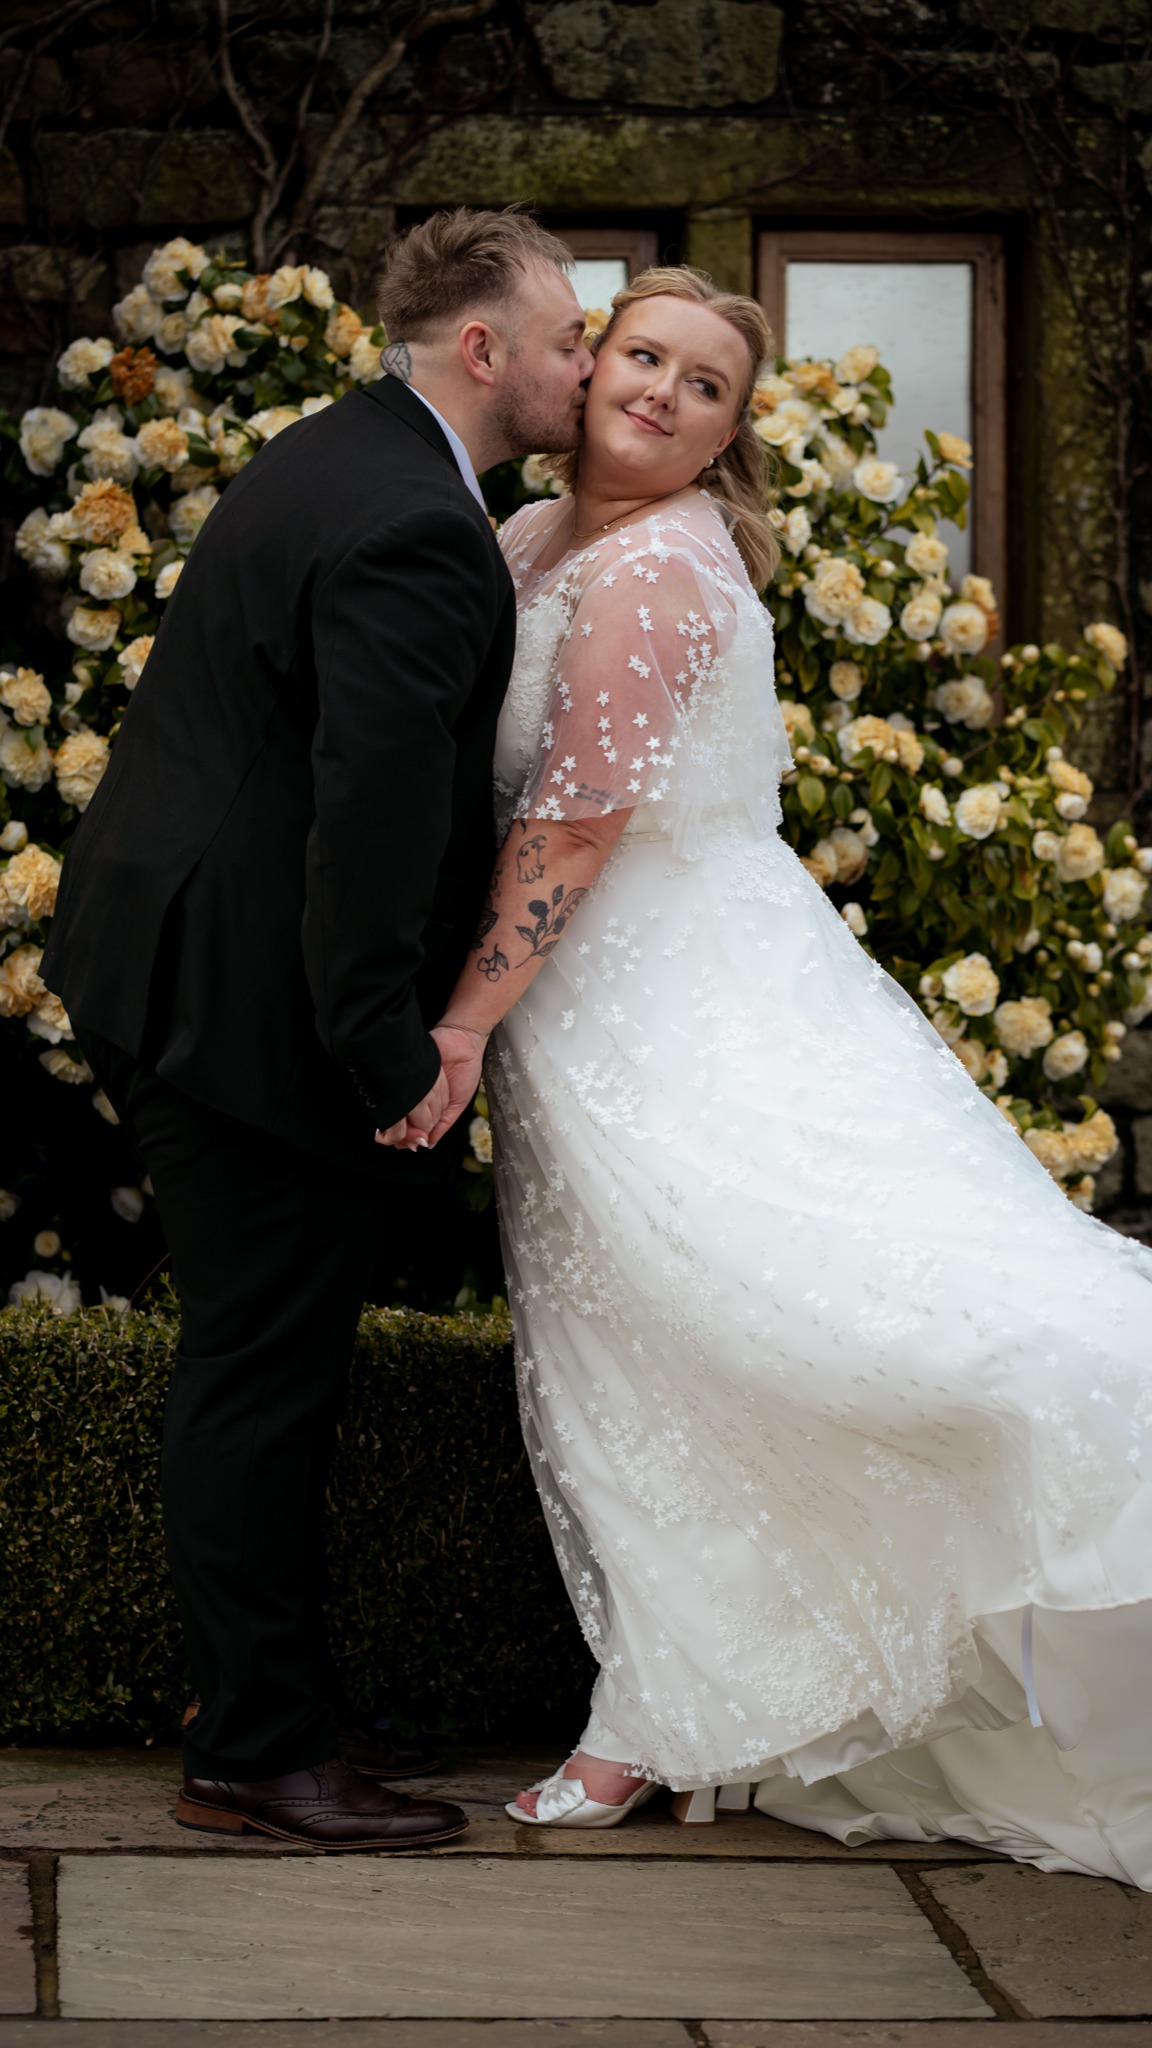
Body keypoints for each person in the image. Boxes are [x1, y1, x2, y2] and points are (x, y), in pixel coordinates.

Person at [416, 265, 1152, 1881]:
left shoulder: (665, 572)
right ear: (591, 362)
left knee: (786, 1323)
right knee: (644, 1362)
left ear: (730, 437)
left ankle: (648, 1726)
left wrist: (462, 1023)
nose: (665, 393)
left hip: (686, 1007)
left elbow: (574, 826)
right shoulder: (534, 538)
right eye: (645, 357)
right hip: (586, 1012)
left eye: (709, 386)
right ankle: (697, 1712)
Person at [41, 208, 594, 1851]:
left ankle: (277, 1708)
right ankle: (258, 1755)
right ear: (482, 348)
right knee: (260, 1378)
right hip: (249, 1007)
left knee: (262, 1368)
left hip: (188, 964)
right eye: (567, 336)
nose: (585, 360)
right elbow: (371, 811)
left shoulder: (343, 455)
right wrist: (397, 1053)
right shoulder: (415, 519)